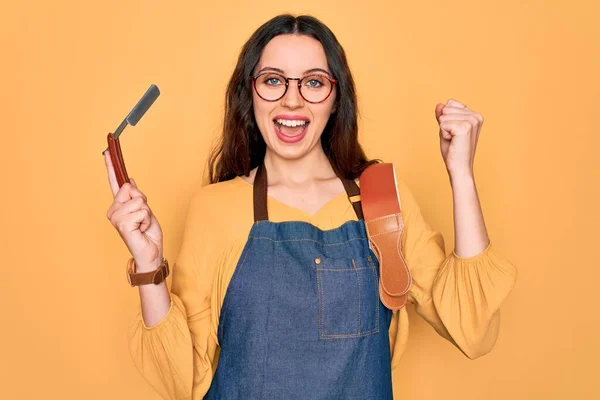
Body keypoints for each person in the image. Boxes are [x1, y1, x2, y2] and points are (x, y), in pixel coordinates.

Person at [104, 14, 517, 400]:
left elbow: (473, 329)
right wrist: (149, 265)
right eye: (273, 80)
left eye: (314, 83)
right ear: (250, 93)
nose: (292, 100)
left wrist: (461, 174)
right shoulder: (214, 208)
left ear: (336, 98)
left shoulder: (380, 198)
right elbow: (181, 379)